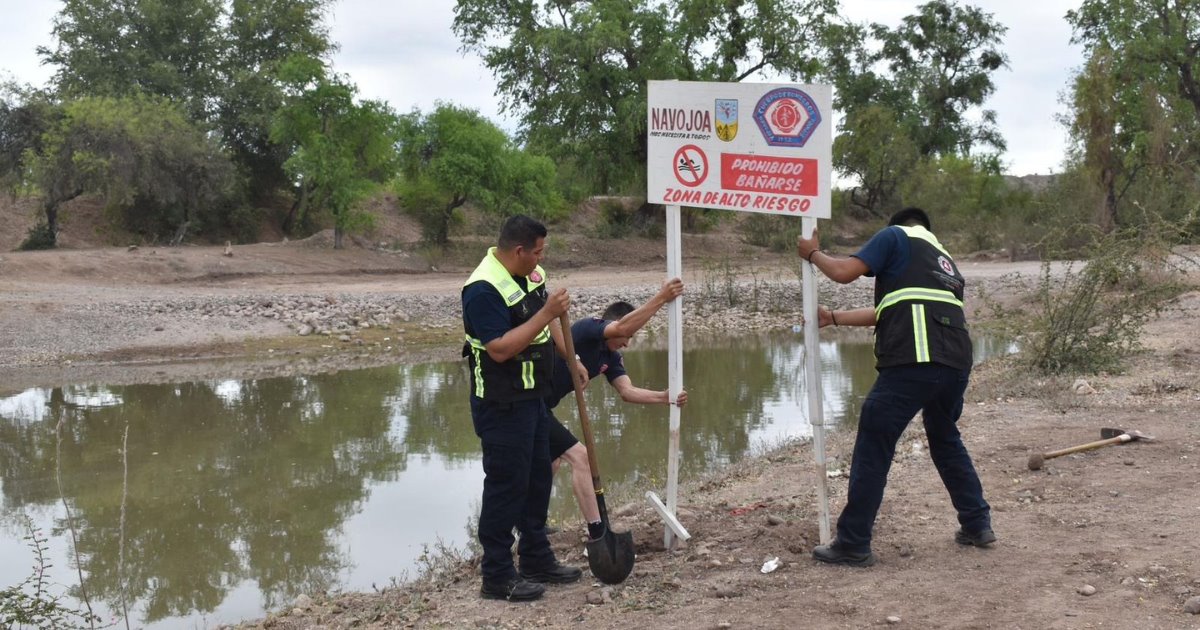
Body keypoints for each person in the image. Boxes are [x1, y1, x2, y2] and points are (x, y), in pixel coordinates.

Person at [796, 207, 994, 567]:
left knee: (875, 437)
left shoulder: (895, 236)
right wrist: (835, 318)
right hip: (956, 361)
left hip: (915, 357)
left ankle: (854, 542)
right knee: (945, 436)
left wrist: (811, 253)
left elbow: (842, 273)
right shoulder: (944, 260)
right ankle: (977, 524)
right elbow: (889, 309)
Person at [461, 214, 588, 601]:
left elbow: (549, 332)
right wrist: (547, 312)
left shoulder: (532, 276)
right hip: (501, 404)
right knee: (505, 486)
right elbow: (499, 348)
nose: (540, 258)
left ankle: (536, 556)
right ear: (518, 251)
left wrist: (572, 359)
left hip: (533, 399)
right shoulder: (482, 289)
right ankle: (497, 575)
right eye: (537, 252)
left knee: (537, 479)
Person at [544, 279, 689, 541]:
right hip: (529, 401)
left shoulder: (611, 358)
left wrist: (665, 397)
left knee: (551, 461)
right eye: (627, 337)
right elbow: (623, 326)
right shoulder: (589, 328)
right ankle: (596, 531)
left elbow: (627, 391)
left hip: (544, 407)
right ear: (610, 327)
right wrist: (661, 297)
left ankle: (532, 523)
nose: (628, 343)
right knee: (578, 457)